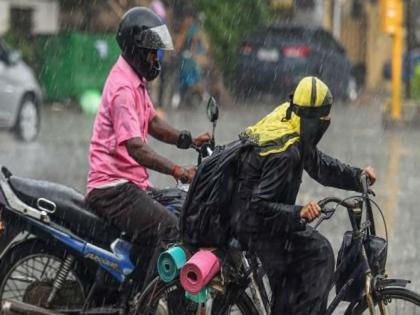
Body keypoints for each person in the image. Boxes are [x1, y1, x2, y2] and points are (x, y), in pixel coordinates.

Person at [229, 76, 376, 314]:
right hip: (253, 224)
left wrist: (357, 177)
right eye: (324, 118)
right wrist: (299, 212)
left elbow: (319, 165)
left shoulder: (291, 119)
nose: (327, 121)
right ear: (314, 119)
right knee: (319, 254)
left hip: (256, 218)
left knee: (306, 260)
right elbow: (259, 205)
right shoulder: (287, 152)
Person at [85, 7, 209, 287]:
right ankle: (143, 298)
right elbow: (136, 148)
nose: (157, 58)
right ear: (136, 50)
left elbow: (152, 122)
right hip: (111, 188)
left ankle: (131, 283)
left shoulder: (134, 79)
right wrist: (177, 169)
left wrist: (187, 140)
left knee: (183, 210)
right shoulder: (123, 89)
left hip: (131, 183)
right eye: (153, 52)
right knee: (168, 228)